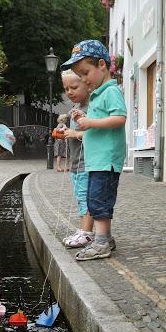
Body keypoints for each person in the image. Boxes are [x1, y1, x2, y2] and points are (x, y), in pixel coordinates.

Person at [61, 39, 126, 260]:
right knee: (95, 199)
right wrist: (85, 119)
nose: (83, 79)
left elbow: (119, 118)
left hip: (106, 159)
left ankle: (101, 243)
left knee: (99, 200)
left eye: (85, 72)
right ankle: (104, 238)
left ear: (101, 65)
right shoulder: (99, 93)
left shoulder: (110, 91)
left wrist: (90, 123)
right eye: (79, 74)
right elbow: (98, 122)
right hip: (96, 159)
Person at [60, 69, 94, 248]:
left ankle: (87, 232)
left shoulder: (91, 109)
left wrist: (75, 133)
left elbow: (94, 133)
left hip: (86, 163)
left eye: (73, 87)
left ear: (87, 86)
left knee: (84, 197)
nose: (69, 92)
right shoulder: (75, 109)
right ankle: (84, 230)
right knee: (81, 196)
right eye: (66, 88)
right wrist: (65, 132)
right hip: (76, 163)